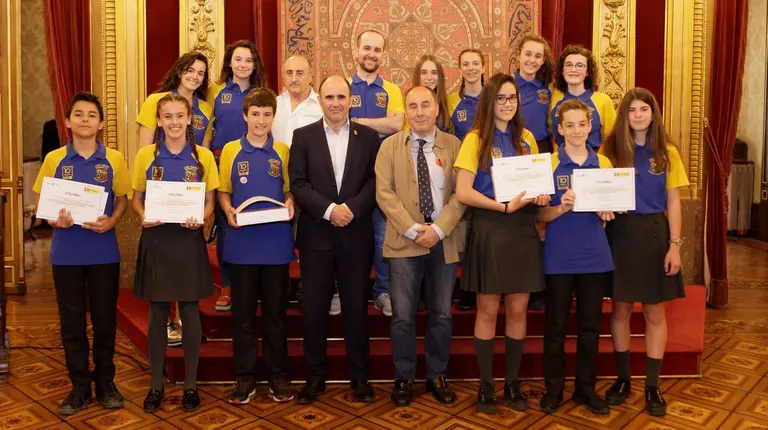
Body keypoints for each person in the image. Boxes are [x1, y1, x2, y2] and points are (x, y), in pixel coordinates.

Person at [454, 73, 549, 414]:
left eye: (512, 98)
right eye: (501, 98)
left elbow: (539, 185)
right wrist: (502, 206)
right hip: (492, 225)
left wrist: (542, 196)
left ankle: (512, 382)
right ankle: (486, 386)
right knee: (488, 309)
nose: (508, 104)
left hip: (522, 228)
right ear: (489, 101)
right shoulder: (475, 138)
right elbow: (463, 192)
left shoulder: (527, 139)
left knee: (519, 309)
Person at [33, 92, 130, 416]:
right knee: (71, 324)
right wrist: (52, 220)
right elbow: (43, 205)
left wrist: (113, 220)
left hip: (104, 252)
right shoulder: (54, 159)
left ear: (101, 123)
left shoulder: (114, 159)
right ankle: (78, 387)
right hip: (66, 253)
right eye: (79, 114)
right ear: (67, 120)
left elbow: (122, 200)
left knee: (104, 321)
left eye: (92, 115)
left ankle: (105, 382)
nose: (85, 119)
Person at [290, 76, 380, 404]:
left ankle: (360, 378)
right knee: (314, 310)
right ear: (321, 100)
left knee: (356, 309)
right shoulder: (303, 136)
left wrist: (351, 210)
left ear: (351, 100)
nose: (336, 102)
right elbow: (298, 183)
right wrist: (329, 210)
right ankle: (315, 378)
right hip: (316, 236)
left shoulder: (369, 138)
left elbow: (375, 182)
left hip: (356, 236)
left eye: (342, 96)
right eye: (329, 96)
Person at [601, 88, 689, 417]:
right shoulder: (609, 150)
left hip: (655, 235)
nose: (638, 115)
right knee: (621, 310)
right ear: (624, 115)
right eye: (632, 110)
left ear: (653, 114)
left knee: (654, 313)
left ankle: (652, 385)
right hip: (620, 235)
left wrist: (675, 246)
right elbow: (597, 190)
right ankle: (623, 379)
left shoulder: (667, 152)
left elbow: (674, 202)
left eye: (644, 109)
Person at [376, 86, 466, 406]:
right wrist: (415, 230)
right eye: (412, 106)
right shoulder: (389, 147)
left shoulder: (454, 146)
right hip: (404, 241)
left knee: (441, 313)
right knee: (402, 315)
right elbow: (384, 193)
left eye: (425, 105)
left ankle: (437, 375)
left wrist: (439, 229)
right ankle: (404, 377)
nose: (419, 112)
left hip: (444, 240)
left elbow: (461, 194)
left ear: (437, 108)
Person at [131, 93, 219, 413]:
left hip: (187, 238)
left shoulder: (203, 157)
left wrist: (203, 217)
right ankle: (156, 385)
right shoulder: (145, 155)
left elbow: (209, 201)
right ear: (158, 120)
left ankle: (191, 385)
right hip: (156, 238)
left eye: (179, 116)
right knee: (157, 312)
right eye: (167, 116)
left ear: (189, 120)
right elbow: (135, 199)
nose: (174, 122)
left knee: (190, 311)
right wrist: (142, 216)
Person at [218, 88, 295, 405]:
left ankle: (278, 375)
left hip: (276, 244)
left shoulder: (284, 151)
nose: (261, 121)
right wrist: (226, 209)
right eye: (255, 114)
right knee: (244, 316)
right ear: (245, 116)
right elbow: (224, 191)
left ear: (273, 117)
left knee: (276, 315)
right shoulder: (230, 151)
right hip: (242, 244)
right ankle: (245, 377)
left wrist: (291, 202)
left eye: (267, 114)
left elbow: (290, 191)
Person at [537, 99, 614, 415]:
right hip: (558, 256)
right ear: (559, 129)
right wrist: (560, 207)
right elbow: (539, 214)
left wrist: (608, 211)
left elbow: (613, 210)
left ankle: (585, 389)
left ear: (590, 125)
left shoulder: (605, 164)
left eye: (582, 124)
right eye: (570, 125)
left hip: (594, 256)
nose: (577, 130)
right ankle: (554, 389)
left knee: (590, 328)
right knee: (555, 327)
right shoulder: (548, 165)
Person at [135, 51, 212, 345]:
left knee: (184, 262)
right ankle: (170, 321)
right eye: (190, 70)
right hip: (158, 192)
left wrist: (201, 202)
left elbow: (200, 154)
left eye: (201, 73)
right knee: (164, 265)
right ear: (179, 70)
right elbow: (145, 148)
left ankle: (185, 323)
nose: (195, 76)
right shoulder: (155, 101)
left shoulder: (204, 109)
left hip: (188, 195)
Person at [204, 40, 267, 312]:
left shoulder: (263, 93)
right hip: (220, 164)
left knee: (255, 222)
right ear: (229, 62)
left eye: (249, 60)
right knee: (227, 226)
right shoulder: (214, 92)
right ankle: (228, 286)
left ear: (255, 65)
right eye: (238, 59)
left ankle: (255, 286)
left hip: (255, 165)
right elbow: (205, 132)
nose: (243, 65)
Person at [349, 29, 405, 316]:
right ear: (355, 51)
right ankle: (344, 290)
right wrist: (378, 123)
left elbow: (396, 125)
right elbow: (335, 122)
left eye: (377, 50)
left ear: (383, 55)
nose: (371, 54)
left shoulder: (392, 90)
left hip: (384, 175)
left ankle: (383, 291)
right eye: (366, 48)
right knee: (348, 235)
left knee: (384, 236)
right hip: (348, 176)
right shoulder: (344, 86)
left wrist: (356, 120)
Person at [448, 49, 485, 311]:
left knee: (483, 230)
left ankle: (484, 286)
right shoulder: (451, 101)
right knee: (464, 231)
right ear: (459, 68)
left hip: (488, 172)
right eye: (465, 64)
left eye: (475, 63)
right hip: (461, 173)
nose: (470, 68)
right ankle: (465, 289)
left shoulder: (493, 98)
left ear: (483, 67)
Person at [550, 45, 616, 151]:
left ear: (588, 72)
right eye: (568, 65)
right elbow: (554, 135)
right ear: (562, 71)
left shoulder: (603, 101)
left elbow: (612, 139)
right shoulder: (554, 98)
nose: (573, 69)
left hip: (594, 164)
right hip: (561, 163)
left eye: (580, 65)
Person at [273, 54, 323, 147]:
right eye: (289, 73)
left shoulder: (322, 106)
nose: (294, 79)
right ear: (283, 76)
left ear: (310, 76)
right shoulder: (274, 104)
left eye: (300, 73)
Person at [412, 55, 452, 132]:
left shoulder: (448, 104)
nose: (429, 77)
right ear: (417, 75)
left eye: (434, 73)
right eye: (424, 73)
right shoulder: (409, 103)